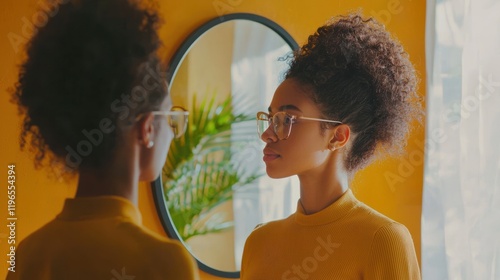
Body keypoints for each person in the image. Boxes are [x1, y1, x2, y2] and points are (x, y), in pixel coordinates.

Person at [7, 0, 199, 279]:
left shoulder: (28, 255)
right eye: (171, 119)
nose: (172, 132)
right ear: (147, 129)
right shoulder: (165, 263)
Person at [241, 13, 422, 279]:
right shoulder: (258, 242)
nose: (267, 134)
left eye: (287, 119)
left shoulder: (383, 240)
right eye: (270, 118)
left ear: (338, 137)